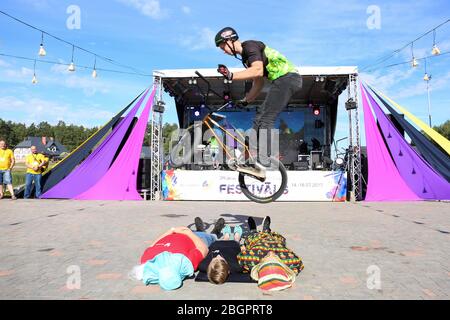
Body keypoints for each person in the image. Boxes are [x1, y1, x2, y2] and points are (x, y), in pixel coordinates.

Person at [215, 27, 303, 178]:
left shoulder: (249, 46)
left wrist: (231, 75)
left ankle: (263, 162)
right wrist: (245, 101)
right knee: (258, 118)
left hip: (287, 78)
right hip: (281, 81)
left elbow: (257, 71)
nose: (223, 51)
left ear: (230, 40)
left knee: (266, 119)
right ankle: (251, 159)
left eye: (223, 47)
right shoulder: (245, 58)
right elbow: (259, 83)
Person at [131, 218, 225, 291]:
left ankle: (200, 229)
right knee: (208, 238)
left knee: (200, 233)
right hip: (194, 238)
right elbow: (203, 248)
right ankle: (215, 232)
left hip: (173, 233)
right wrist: (188, 233)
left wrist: (171, 231)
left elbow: (153, 244)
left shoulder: (148, 261)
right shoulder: (187, 262)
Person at [237, 216, 304, 291]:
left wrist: (244, 249)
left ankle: (253, 230)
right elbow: (299, 264)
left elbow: (240, 257)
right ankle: (266, 230)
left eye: (267, 260)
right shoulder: (291, 261)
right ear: (282, 265)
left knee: (252, 238)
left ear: (260, 265)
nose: (271, 254)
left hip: (258, 241)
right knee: (278, 238)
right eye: (274, 259)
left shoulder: (252, 260)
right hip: (274, 241)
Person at [194, 217, 244, 285]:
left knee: (202, 238)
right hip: (232, 246)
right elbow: (243, 263)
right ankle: (236, 236)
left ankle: (220, 234)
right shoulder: (236, 267)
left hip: (216, 245)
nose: (218, 255)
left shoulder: (203, 266)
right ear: (229, 271)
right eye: (222, 259)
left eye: (214, 259)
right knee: (236, 241)